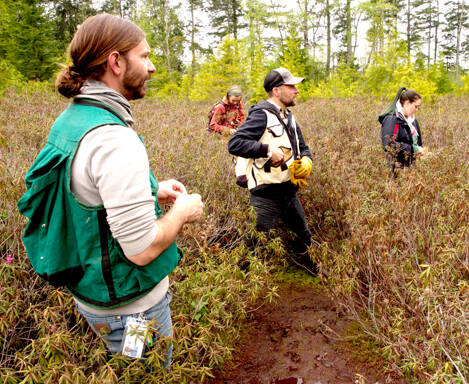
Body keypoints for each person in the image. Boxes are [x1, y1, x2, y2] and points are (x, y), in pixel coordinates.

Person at [17, 14, 203, 366]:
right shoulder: (115, 139)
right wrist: (183, 211)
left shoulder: (74, 118)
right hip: (132, 313)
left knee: (126, 366)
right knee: (146, 371)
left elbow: (84, 193)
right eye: (144, 56)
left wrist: (152, 190)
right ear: (116, 62)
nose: (151, 67)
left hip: (97, 296)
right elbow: (142, 249)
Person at [227, 68, 314, 273]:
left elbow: (303, 147)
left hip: (289, 190)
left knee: (304, 235)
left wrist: (307, 162)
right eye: (291, 86)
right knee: (254, 242)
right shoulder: (261, 115)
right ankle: (239, 282)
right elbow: (235, 143)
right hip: (266, 193)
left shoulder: (289, 117)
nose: (296, 91)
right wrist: (266, 150)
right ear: (276, 90)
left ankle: (314, 270)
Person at [380, 89, 424, 172]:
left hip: (411, 169)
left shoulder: (413, 121)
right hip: (394, 170)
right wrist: (412, 149)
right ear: (407, 103)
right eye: (416, 106)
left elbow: (419, 143)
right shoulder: (392, 119)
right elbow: (388, 145)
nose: (417, 109)